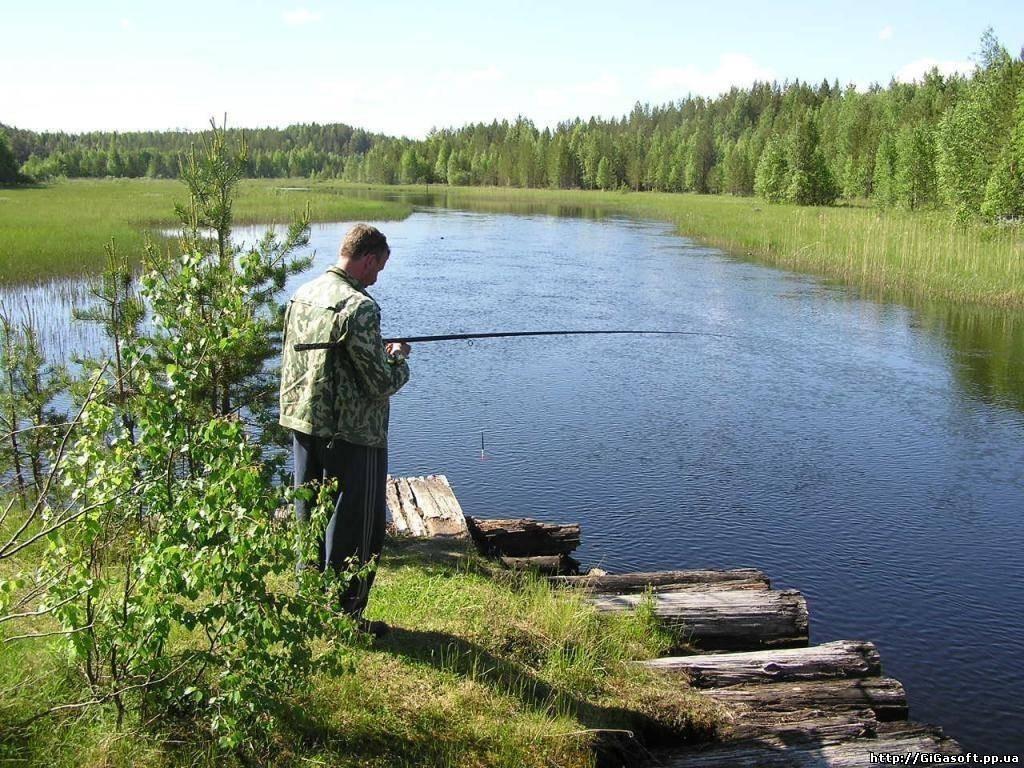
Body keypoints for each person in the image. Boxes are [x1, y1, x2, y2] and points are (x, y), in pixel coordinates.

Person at [279, 223, 411, 638]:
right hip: (354, 434)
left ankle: (310, 604)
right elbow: (380, 383)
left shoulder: (303, 294)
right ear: (368, 258)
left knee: (310, 517)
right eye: (379, 268)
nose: (377, 277)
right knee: (355, 525)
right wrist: (399, 359)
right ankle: (346, 617)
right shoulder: (360, 306)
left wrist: (374, 350)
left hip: (303, 423)